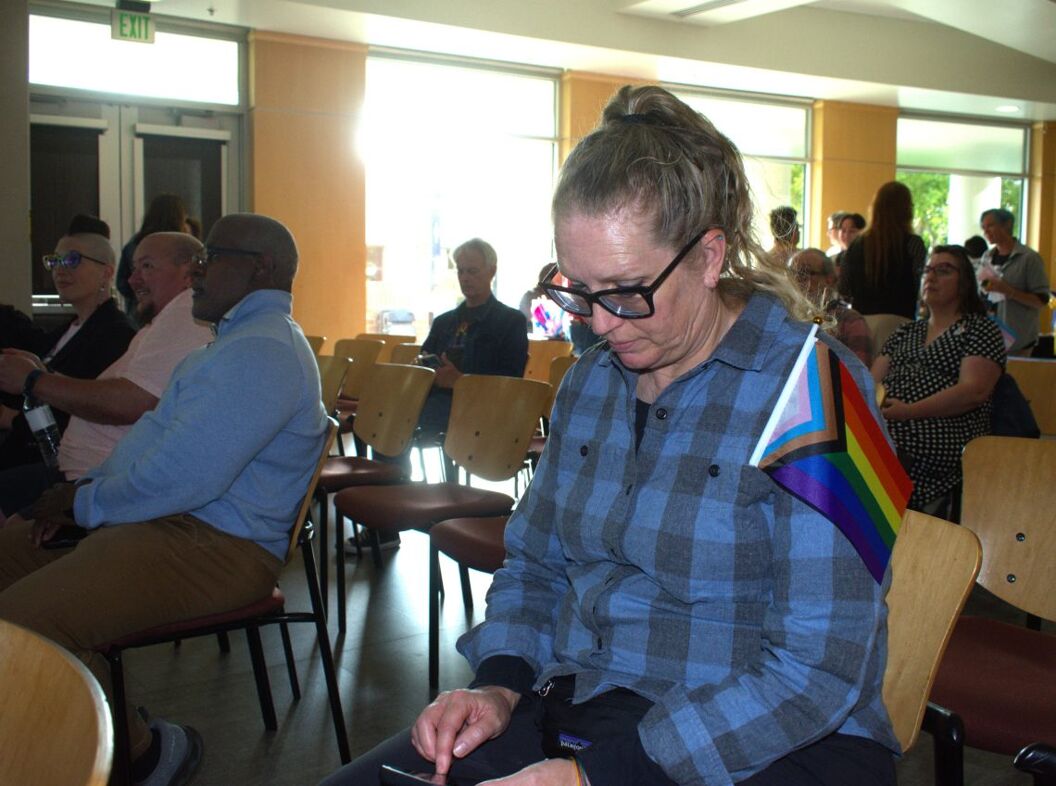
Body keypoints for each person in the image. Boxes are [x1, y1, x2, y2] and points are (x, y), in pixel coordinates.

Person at [323, 85, 897, 786]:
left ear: (710, 257)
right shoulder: (592, 382)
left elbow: (821, 669)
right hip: (586, 707)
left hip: (771, 743)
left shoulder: (821, 391)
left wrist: (597, 776)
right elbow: (535, 563)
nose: (599, 323)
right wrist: (499, 685)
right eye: (579, 291)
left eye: (626, 292)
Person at [0, 212, 326, 786]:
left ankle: (143, 756)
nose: (197, 272)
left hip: (219, 548)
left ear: (262, 268)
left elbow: (182, 480)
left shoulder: (263, 352)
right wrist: (85, 495)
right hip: (173, 526)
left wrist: (81, 507)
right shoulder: (232, 341)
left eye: (211, 258)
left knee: (21, 625)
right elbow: (150, 449)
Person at [0, 231, 214, 517]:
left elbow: (128, 403)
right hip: (82, 474)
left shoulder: (183, 314)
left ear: (189, 273)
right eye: (56, 261)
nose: (133, 279)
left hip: (99, 484)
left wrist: (34, 381)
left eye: (147, 267)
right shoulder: (161, 322)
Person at [872, 245, 1005, 518]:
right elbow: (871, 382)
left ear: (965, 282)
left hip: (943, 435)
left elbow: (974, 391)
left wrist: (909, 411)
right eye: (928, 270)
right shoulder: (906, 330)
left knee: (881, 457)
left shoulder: (980, 329)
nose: (931, 277)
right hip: (889, 427)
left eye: (943, 271)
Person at [0, 215, 135, 471]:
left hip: (65, 465)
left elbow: (87, 411)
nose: (60, 269)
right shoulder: (66, 331)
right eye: (55, 261)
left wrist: (9, 418)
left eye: (72, 260)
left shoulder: (115, 335)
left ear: (106, 272)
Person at [417, 238, 528, 443]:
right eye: (461, 271)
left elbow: (510, 381)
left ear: (491, 271)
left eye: (472, 271)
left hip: (481, 406)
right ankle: (394, 475)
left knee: (398, 418)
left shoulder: (511, 321)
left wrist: (459, 381)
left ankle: (394, 474)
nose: (465, 278)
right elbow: (423, 360)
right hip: (438, 399)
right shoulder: (443, 322)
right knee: (381, 412)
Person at [838, 182, 926, 319]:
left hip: (863, 324)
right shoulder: (913, 244)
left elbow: (844, 288)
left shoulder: (856, 245)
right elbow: (919, 284)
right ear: (907, 210)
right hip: (901, 323)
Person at [977, 208, 1050, 355]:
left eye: (990, 226)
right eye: (983, 228)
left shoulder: (1029, 258)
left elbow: (1041, 301)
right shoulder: (987, 256)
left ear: (1007, 225)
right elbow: (982, 290)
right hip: (990, 336)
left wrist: (1008, 291)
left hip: (1018, 340)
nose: (986, 232)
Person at [790, 248, 873, 367]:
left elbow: (859, 377)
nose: (795, 280)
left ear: (829, 279)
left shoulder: (850, 321)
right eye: (791, 273)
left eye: (804, 273)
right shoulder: (785, 316)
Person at [116, 193, 190, 322]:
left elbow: (122, 283)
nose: (133, 280)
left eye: (147, 266)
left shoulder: (135, 244)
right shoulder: (183, 245)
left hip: (138, 314)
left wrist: (139, 295)